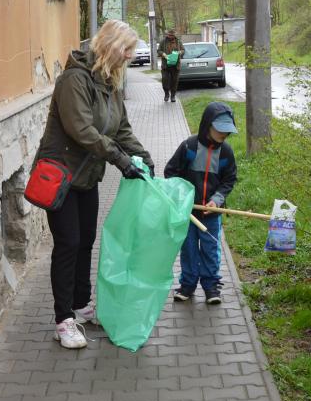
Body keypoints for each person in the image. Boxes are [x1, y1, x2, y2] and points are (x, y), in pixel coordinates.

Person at [32, 20, 155, 349]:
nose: (130, 56)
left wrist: (144, 158)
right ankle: (63, 320)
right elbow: (82, 131)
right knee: (68, 243)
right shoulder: (74, 79)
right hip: (60, 176)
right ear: (111, 46)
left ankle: (81, 305)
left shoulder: (110, 82)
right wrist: (121, 161)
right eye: (127, 49)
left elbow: (122, 129)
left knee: (86, 240)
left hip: (87, 176)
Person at [164, 102, 238, 304]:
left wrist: (217, 200)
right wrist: (182, 197)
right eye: (219, 129)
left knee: (210, 249)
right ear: (207, 125)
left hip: (211, 214)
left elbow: (229, 180)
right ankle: (187, 285)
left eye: (227, 130)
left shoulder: (226, 152)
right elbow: (171, 172)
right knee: (188, 249)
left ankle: (211, 286)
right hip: (187, 213)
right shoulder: (189, 146)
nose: (223, 134)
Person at [157, 29, 185, 102]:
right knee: (165, 80)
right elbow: (159, 50)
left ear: (174, 35)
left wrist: (180, 52)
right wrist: (163, 54)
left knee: (174, 81)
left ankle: (173, 96)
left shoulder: (178, 41)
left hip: (176, 65)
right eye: (169, 35)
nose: (171, 36)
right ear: (167, 35)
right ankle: (166, 94)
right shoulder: (163, 41)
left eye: (172, 35)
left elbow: (183, 50)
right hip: (165, 65)